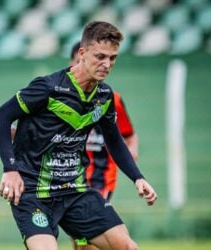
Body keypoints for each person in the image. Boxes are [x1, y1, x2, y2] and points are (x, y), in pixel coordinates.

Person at [0, 21, 157, 250]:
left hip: (75, 191)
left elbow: (115, 141)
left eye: (112, 58)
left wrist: (138, 178)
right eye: (100, 56)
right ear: (82, 53)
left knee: (128, 247)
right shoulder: (47, 88)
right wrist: (10, 170)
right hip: (33, 194)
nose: (107, 64)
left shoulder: (105, 97)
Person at [70, 42, 139, 250]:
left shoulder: (111, 99)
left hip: (101, 177)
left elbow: (129, 135)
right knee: (79, 240)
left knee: (90, 236)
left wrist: (130, 154)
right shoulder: (61, 97)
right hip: (71, 177)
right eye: (76, 63)